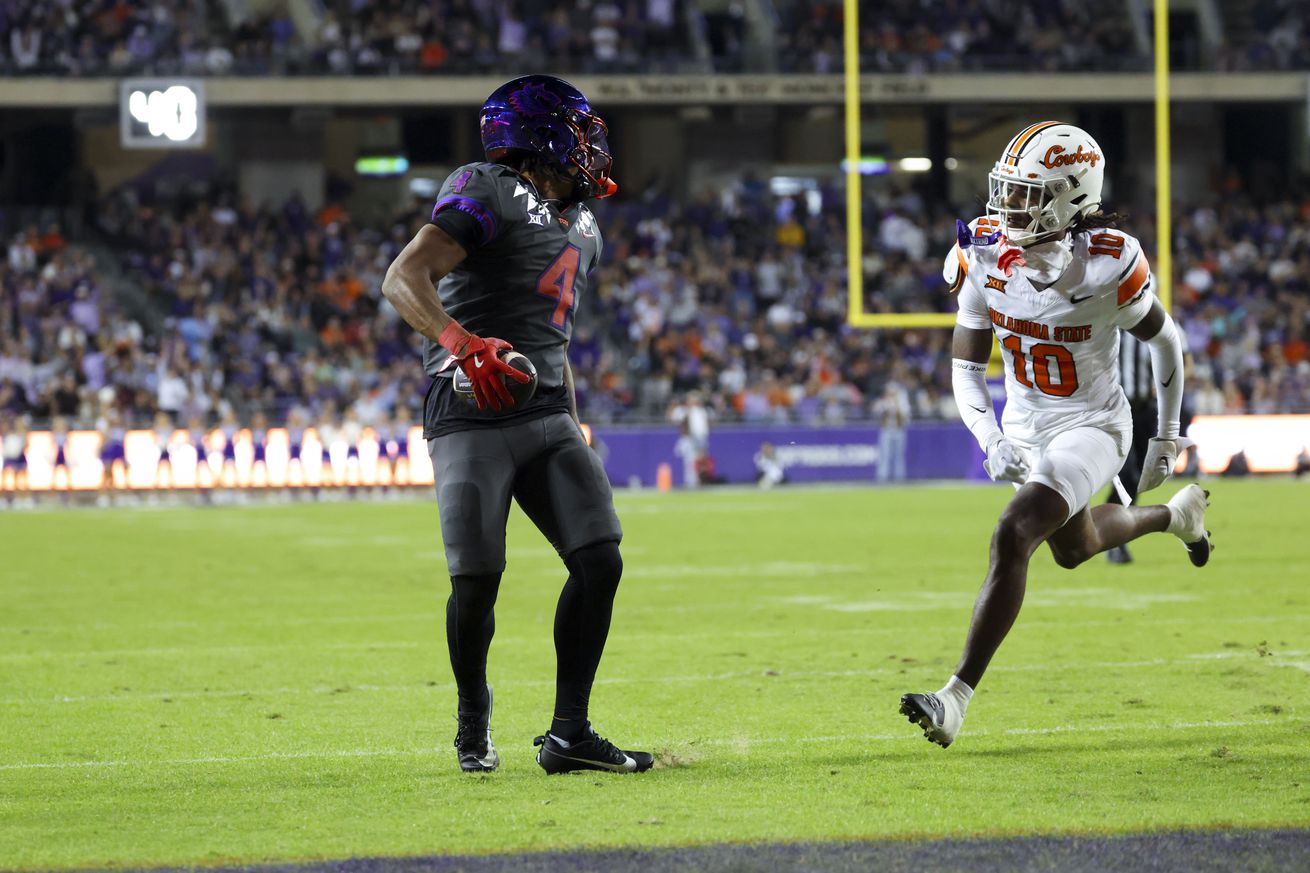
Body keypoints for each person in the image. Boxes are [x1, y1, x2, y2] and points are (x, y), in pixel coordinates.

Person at [899, 122, 1212, 749]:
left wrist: (1166, 438)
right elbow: (964, 366)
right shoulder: (981, 252)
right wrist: (990, 438)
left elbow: (1165, 340)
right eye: (1007, 191)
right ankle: (1176, 518)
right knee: (1075, 546)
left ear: (1071, 196)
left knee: (1014, 532)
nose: (1008, 207)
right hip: (1025, 425)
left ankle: (955, 698)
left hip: (1092, 424)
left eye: (1026, 194)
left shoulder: (1109, 262)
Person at [381, 75, 651, 775]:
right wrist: (462, 343)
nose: (594, 145)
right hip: (470, 408)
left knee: (600, 558)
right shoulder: (488, 187)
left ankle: (569, 733)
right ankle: (474, 712)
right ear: (543, 133)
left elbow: (554, 337)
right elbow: (403, 278)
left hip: (547, 408)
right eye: (580, 129)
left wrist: (572, 418)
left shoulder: (584, 226)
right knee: (478, 578)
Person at [873, 378, 911, 482]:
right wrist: (886, 404)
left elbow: (906, 416)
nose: (892, 393)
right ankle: (882, 478)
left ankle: (899, 478)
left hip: (898, 430)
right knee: (885, 455)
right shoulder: (883, 401)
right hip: (886, 430)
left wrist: (896, 404)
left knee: (898, 456)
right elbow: (876, 411)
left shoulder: (902, 402)